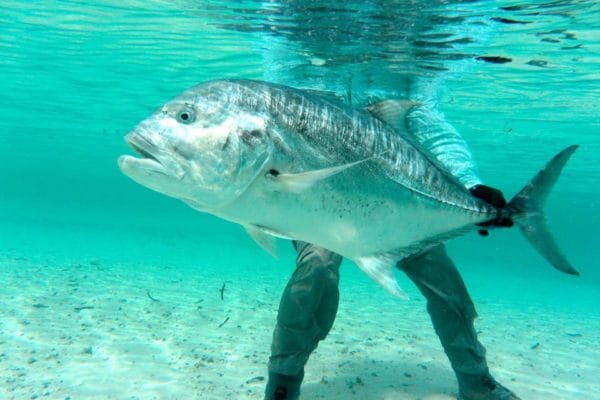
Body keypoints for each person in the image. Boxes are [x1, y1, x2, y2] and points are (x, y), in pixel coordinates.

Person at [263, 99, 521, 400]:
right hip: (320, 204)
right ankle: (284, 379)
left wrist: (470, 184)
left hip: (393, 202)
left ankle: (476, 379)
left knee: (443, 280)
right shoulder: (303, 63)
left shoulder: (407, 76)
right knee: (316, 267)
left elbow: (434, 131)